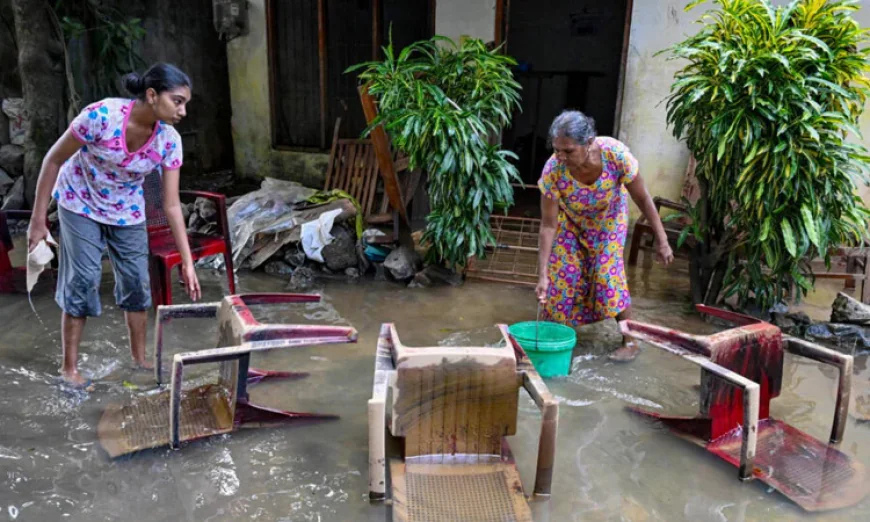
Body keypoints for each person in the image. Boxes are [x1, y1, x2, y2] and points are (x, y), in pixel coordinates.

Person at [27, 63, 202, 388]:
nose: (183, 111)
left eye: (185, 104)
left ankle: (139, 361)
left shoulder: (168, 140)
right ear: (152, 95)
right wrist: (37, 222)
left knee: (137, 281)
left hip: (126, 210)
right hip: (79, 202)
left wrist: (188, 262)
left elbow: (171, 204)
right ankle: (69, 369)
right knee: (83, 279)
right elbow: (53, 159)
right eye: (177, 101)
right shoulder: (101, 117)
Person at [535, 110, 674, 362]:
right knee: (562, 278)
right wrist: (543, 273)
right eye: (557, 150)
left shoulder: (615, 155)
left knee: (606, 275)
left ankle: (630, 339)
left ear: (589, 143)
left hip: (609, 221)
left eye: (568, 151)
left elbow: (643, 199)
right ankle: (556, 336)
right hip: (571, 223)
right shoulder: (553, 170)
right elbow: (548, 225)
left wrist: (662, 240)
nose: (561, 157)